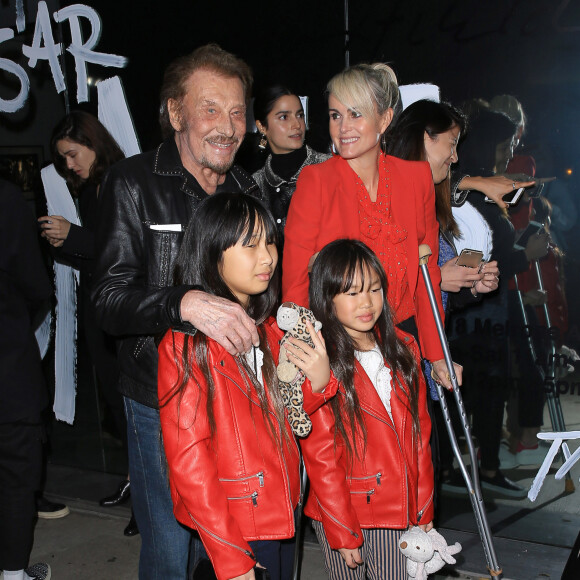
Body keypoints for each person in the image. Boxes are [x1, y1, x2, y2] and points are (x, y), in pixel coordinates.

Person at [92, 44, 265, 578]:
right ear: (175, 113)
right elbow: (107, 301)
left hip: (233, 397)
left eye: (237, 112)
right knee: (171, 549)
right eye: (210, 109)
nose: (228, 126)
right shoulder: (133, 183)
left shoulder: (245, 188)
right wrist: (183, 301)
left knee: (224, 546)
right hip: (158, 400)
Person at [158, 193, 333, 580]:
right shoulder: (185, 346)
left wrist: (319, 384)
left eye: (270, 241)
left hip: (281, 512)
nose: (268, 256)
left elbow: (282, 417)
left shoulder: (269, 328)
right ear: (211, 251)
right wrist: (232, 556)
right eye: (250, 245)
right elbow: (189, 463)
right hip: (237, 523)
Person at [283, 63, 460, 391]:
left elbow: (427, 276)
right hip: (340, 347)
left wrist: (436, 355)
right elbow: (296, 284)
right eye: (335, 116)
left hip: (404, 343)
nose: (343, 127)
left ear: (385, 119)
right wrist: (306, 355)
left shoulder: (416, 178)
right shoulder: (315, 181)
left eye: (355, 114)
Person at [300, 239, 434, 579]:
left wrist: (424, 505)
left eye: (374, 289)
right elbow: (321, 455)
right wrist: (342, 529)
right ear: (326, 299)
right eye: (352, 293)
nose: (367, 303)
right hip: (347, 508)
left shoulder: (403, 347)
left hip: (400, 508)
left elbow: (420, 434)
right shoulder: (320, 360)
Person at [38, 111, 135, 532]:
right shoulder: (92, 187)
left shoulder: (118, 181)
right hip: (100, 310)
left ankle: (146, 503)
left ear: (92, 142)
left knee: (131, 409)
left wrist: (72, 236)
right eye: (62, 160)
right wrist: (64, 241)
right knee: (117, 407)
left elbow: (122, 248)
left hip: (120, 312)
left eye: (72, 155)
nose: (69, 166)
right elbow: (94, 251)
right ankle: (136, 486)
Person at [0, 178, 52, 580]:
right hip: (7, 366)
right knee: (16, 476)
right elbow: (35, 285)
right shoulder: (6, 198)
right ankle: (14, 574)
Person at [252, 84, 329, 240]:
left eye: (300, 115)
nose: (297, 125)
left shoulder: (329, 168)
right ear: (262, 126)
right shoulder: (255, 185)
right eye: (284, 117)